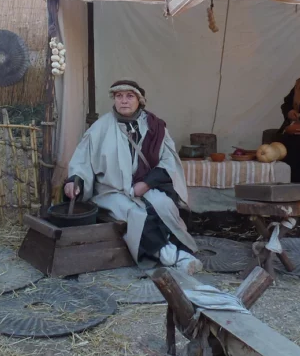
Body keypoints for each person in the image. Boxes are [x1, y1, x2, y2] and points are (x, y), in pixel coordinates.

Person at [64, 80, 202, 274]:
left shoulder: (155, 127)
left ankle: (176, 246)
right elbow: (82, 161)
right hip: (110, 190)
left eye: (130, 96)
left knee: (164, 205)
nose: (124, 101)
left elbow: (169, 161)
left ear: (140, 100)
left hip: (144, 186)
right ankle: (173, 256)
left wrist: (146, 183)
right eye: (119, 96)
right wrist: (75, 181)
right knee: (136, 214)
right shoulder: (100, 128)